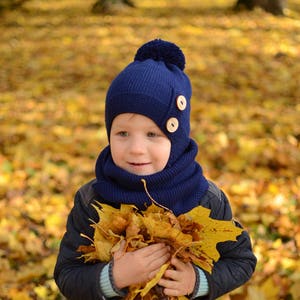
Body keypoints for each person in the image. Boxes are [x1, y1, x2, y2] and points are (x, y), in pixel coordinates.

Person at [54, 39, 257, 300]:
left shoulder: (205, 198)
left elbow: (241, 261)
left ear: (177, 139)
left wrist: (198, 282)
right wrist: (113, 277)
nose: (136, 148)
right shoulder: (92, 199)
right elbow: (67, 274)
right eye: (123, 133)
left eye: (153, 134)